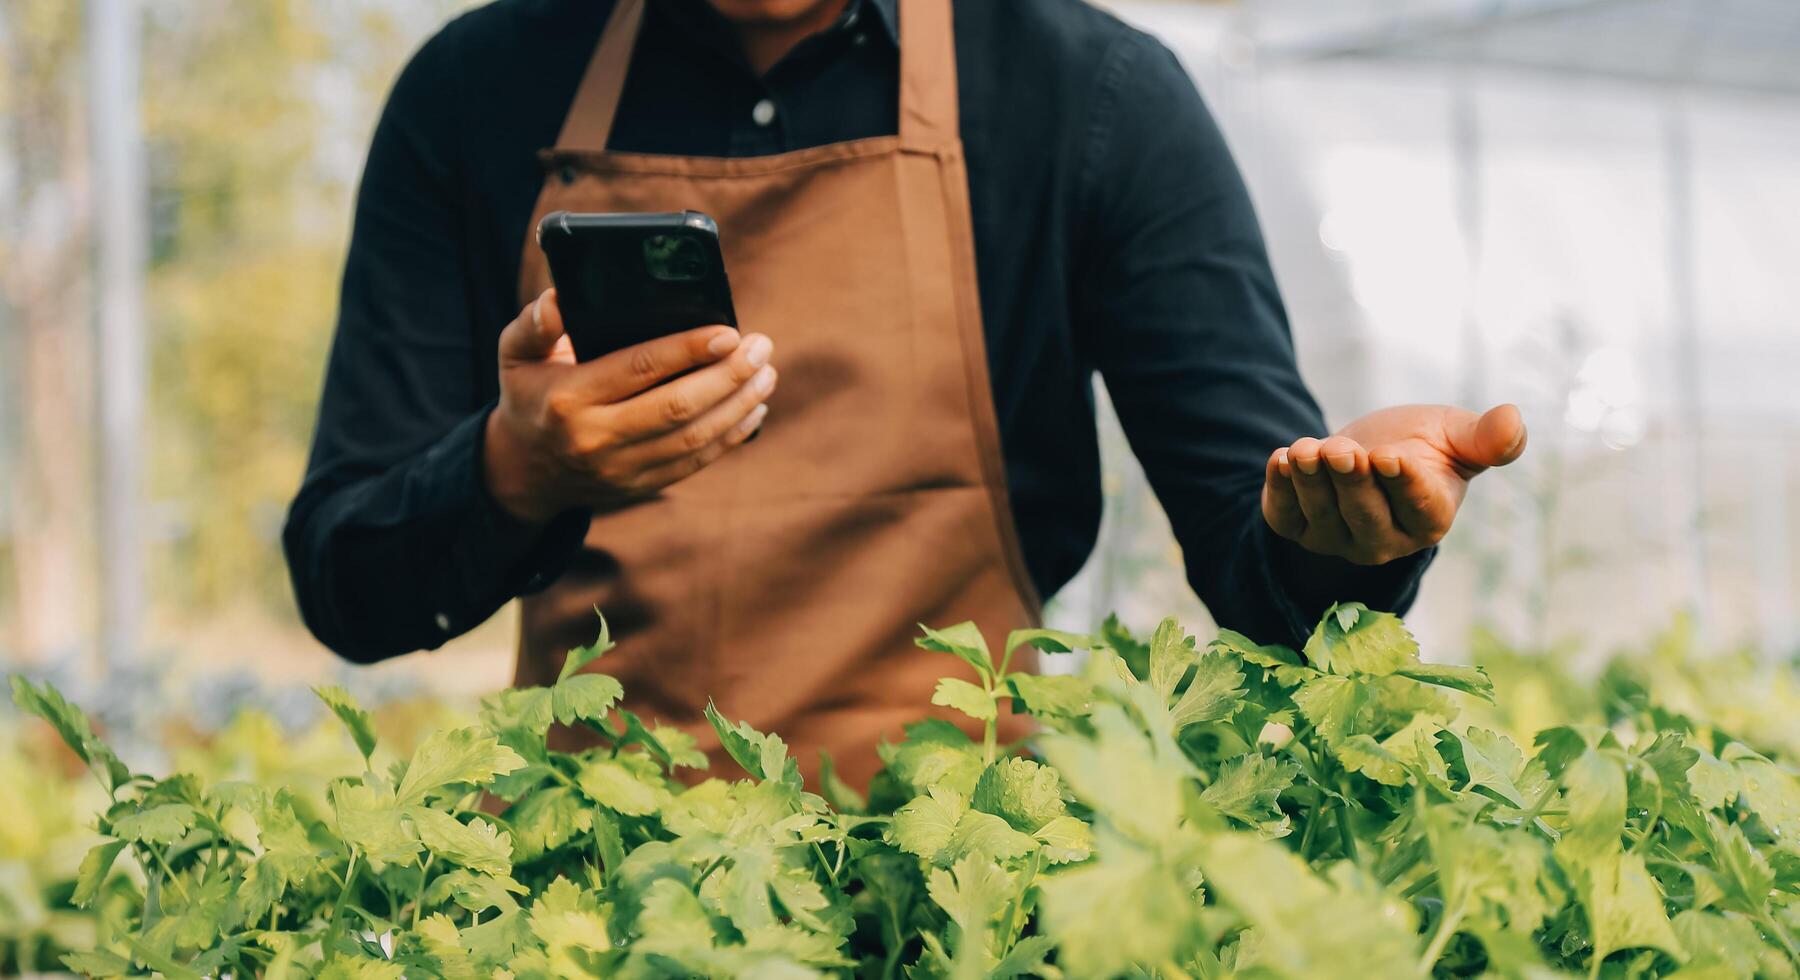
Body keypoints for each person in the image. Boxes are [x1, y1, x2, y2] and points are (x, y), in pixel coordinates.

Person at [284, 0, 1526, 783]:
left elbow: (1257, 565)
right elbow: (346, 577)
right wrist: (516, 470)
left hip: (955, 884)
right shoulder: (475, 92)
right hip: (583, 877)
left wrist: (1340, 528)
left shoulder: (1090, 100)